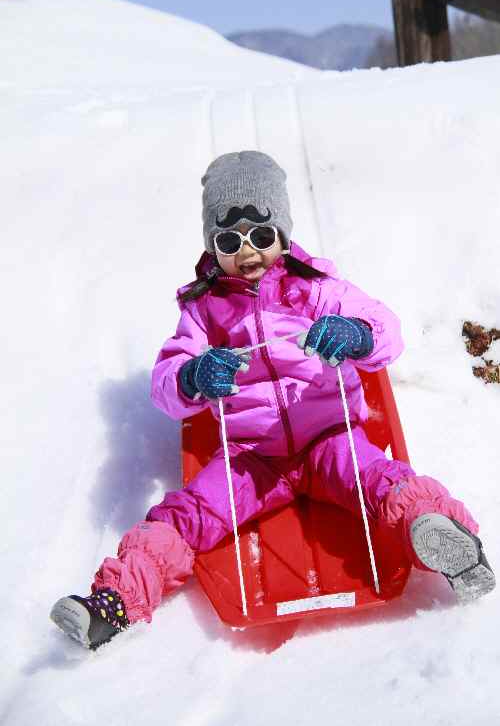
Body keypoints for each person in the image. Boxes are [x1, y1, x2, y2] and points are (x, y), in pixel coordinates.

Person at [50, 151, 495, 650]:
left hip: (330, 438)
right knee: (189, 513)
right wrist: (195, 374)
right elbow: (165, 385)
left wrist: (354, 334)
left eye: (261, 236)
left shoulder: (317, 289)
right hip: (251, 458)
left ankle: (447, 540)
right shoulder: (204, 312)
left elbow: (386, 331)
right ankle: (115, 601)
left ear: (282, 233)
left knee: (380, 480)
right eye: (229, 241)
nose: (248, 252)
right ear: (211, 247)